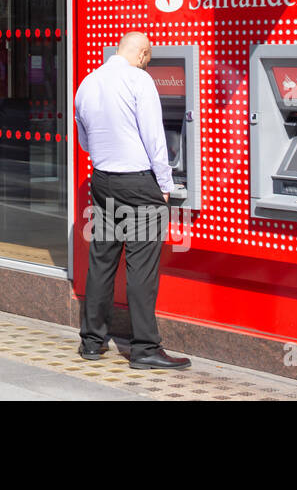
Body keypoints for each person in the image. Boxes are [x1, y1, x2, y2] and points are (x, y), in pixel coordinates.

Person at [73, 31, 191, 370]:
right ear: (142, 53)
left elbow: (84, 141)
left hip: (104, 181)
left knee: (102, 261)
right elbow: (155, 138)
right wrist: (165, 186)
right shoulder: (139, 81)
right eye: (148, 60)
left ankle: (92, 343)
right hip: (139, 186)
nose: (147, 64)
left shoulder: (88, 83)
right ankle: (145, 350)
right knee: (141, 267)